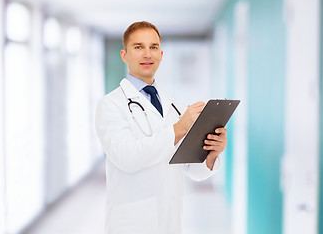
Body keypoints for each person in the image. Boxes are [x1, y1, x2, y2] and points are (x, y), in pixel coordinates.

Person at [95, 21, 228, 234]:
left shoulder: (173, 105)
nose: (147, 54)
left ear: (161, 54)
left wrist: (212, 153)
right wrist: (178, 129)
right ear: (124, 55)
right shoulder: (110, 105)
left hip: (170, 222)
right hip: (132, 224)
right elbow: (126, 157)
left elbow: (191, 168)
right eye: (138, 47)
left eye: (153, 47)